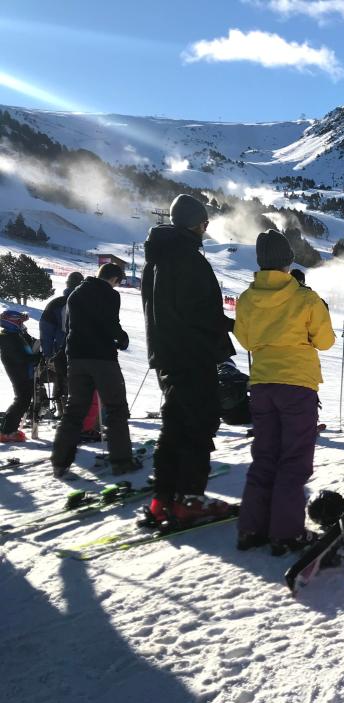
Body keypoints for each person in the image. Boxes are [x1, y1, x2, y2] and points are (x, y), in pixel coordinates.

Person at [234, 230, 335, 554]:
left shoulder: (248, 298)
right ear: (288, 260)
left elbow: (246, 340)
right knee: (293, 459)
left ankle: (252, 528)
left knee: (264, 455)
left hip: (262, 384)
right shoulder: (305, 297)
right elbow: (325, 340)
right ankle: (286, 532)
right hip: (297, 385)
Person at [141, 194, 236, 524]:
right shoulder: (189, 259)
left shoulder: (156, 258)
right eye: (205, 224)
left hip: (166, 356)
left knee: (175, 426)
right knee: (199, 424)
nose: (205, 231)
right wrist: (233, 326)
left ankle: (163, 497)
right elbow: (201, 312)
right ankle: (190, 499)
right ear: (196, 224)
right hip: (193, 354)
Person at [50, 264, 141, 476]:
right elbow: (110, 324)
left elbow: (70, 326)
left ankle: (60, 461)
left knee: (75, 410)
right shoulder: (109, 294)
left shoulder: (76, 294)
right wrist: (122, 337)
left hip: (76, 358)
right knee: (116, 408)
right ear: (114, 279)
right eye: (118, 281)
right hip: (102, 359)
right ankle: (121, 461)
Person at [39, 271, 84, 417]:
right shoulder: (88, 302)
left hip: (60, 350)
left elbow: (46, 332)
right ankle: (87, 415)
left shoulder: (55, 304)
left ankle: (63, 413)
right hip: (85, 351)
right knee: (84, 383)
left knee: (62, 380)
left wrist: (47, 354)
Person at [0, 310, 40, 442]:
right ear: (12, 321)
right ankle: (7, 431)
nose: (21, 324)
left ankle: (9, 428)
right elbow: (18, 358)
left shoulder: (15, 334)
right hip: (18, 370)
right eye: (19, 321)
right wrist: (35, 358)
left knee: (23, 399)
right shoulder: (7, 336)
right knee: (21, 399)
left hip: (23, 370)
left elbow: (29, 344)